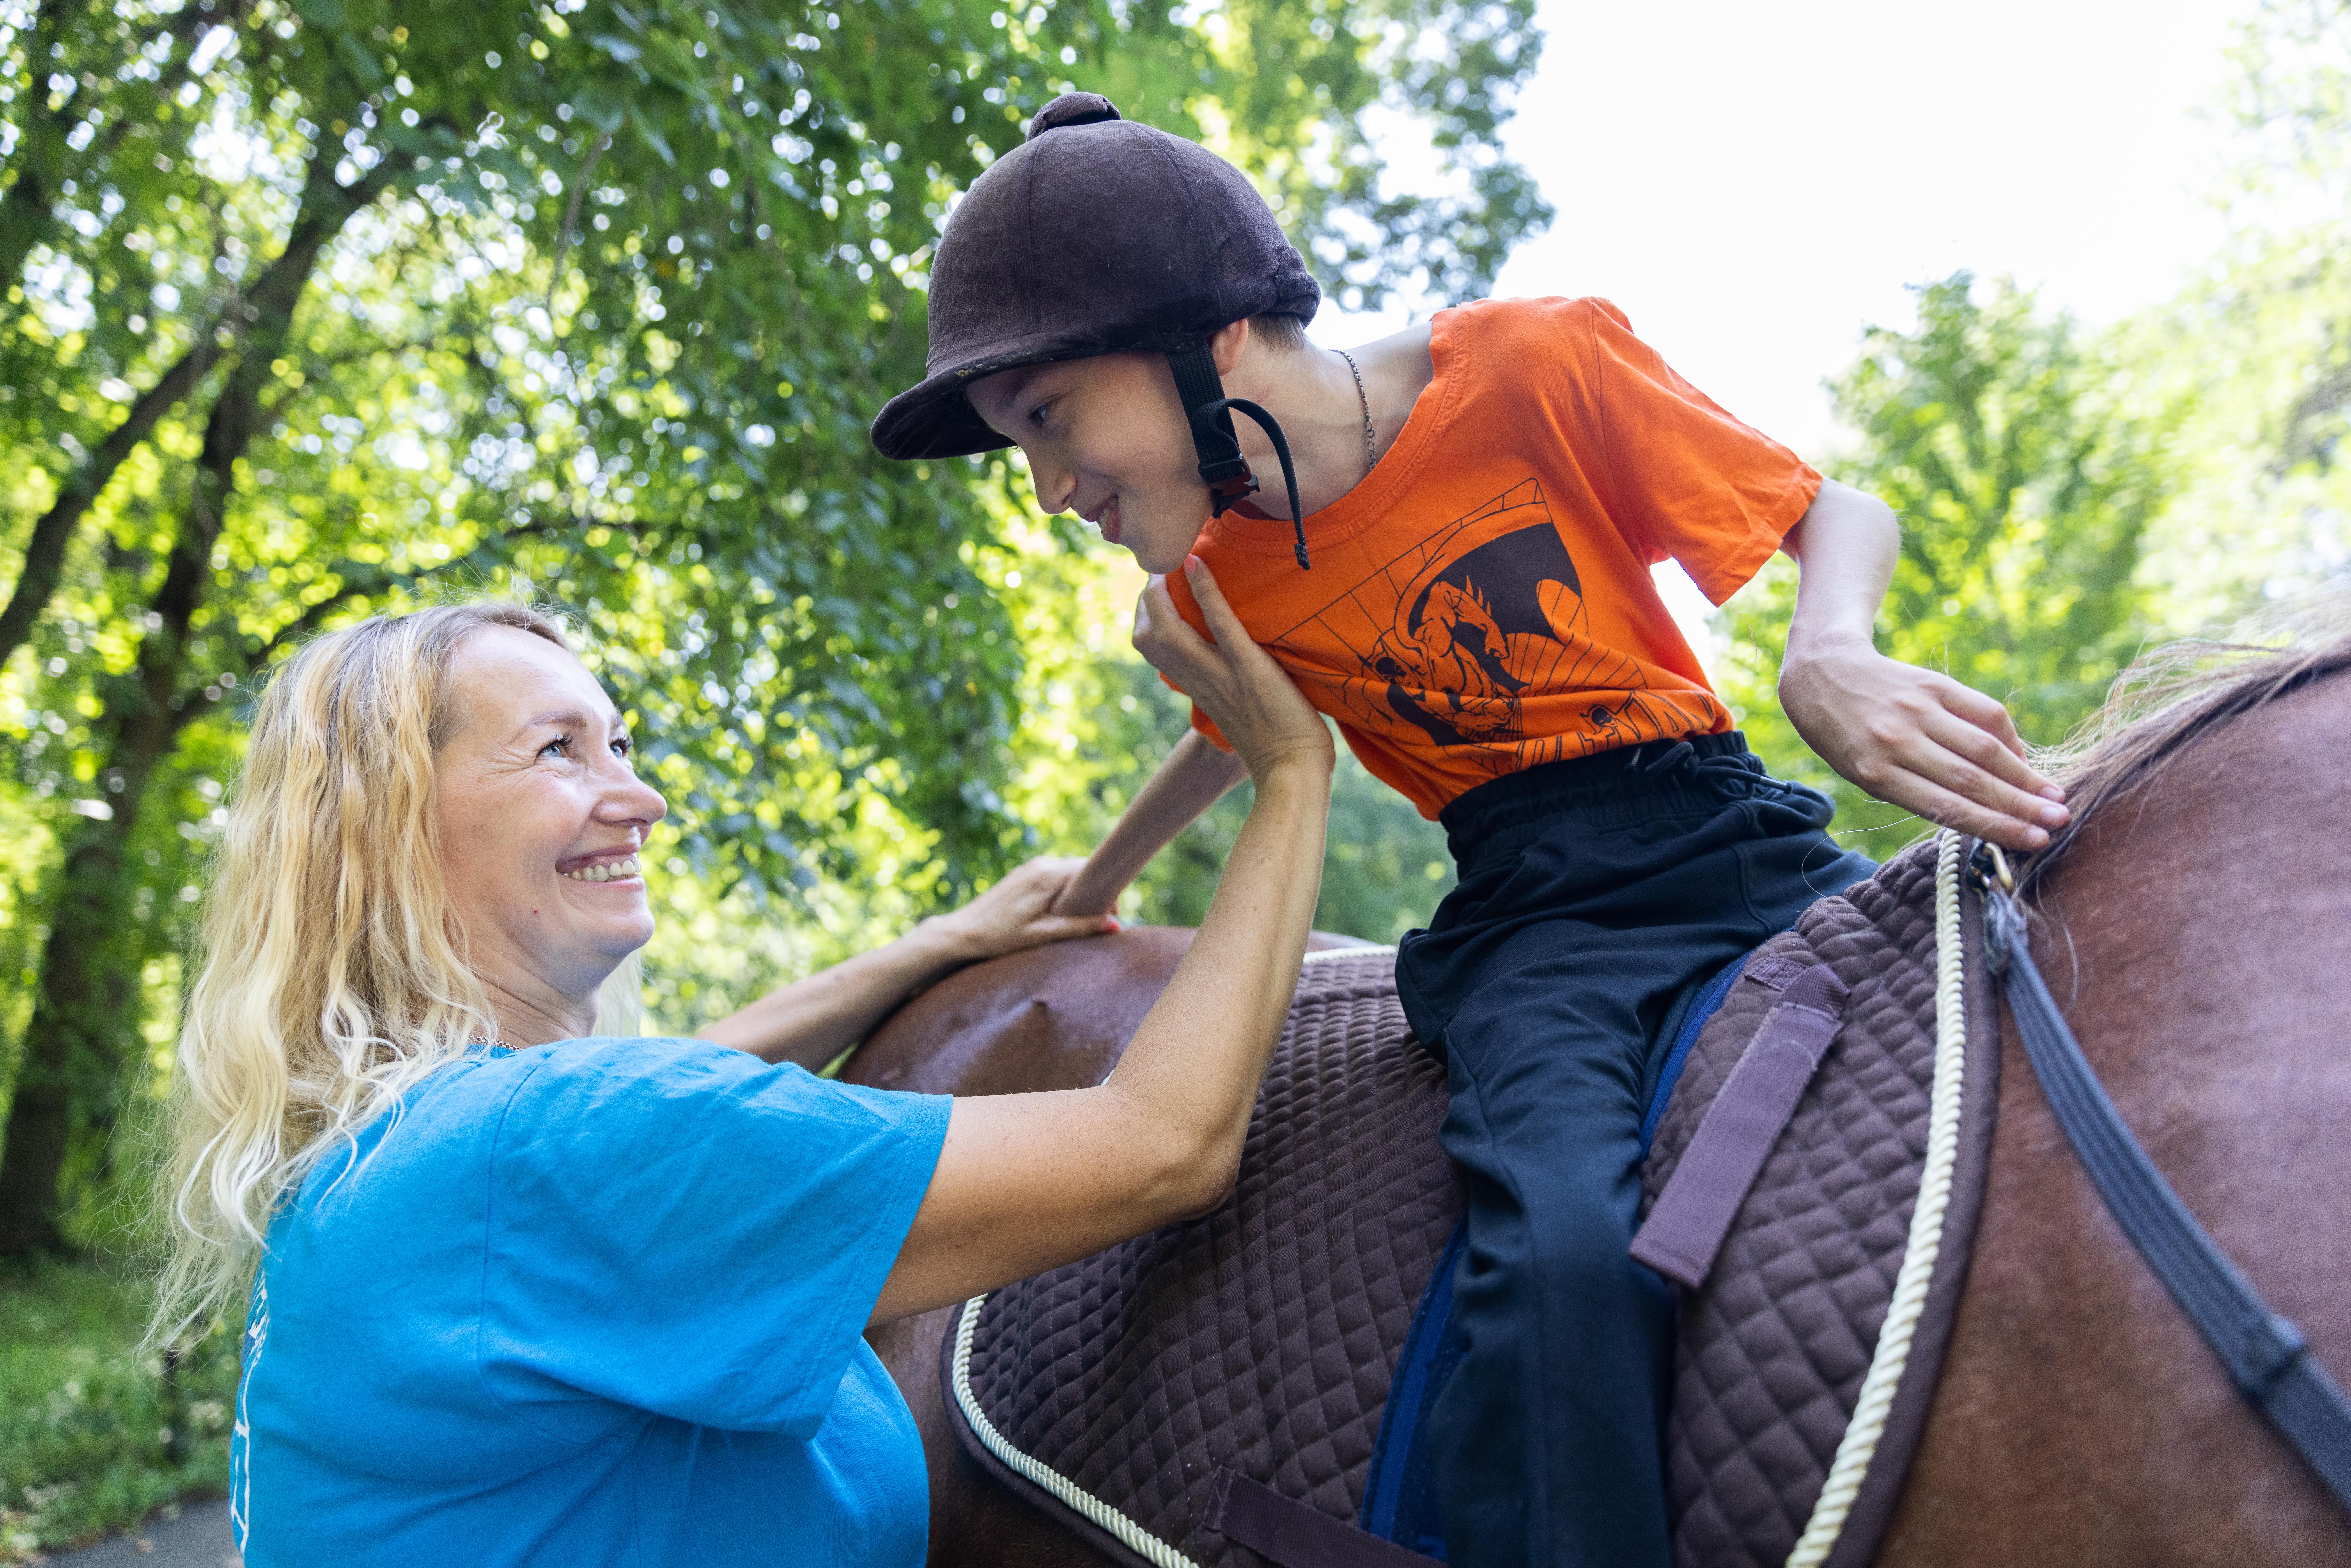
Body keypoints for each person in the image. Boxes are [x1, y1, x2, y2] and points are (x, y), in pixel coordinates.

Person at [868, 91, 2074, 1567]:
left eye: (1048, 420)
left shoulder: (1529, 364)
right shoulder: (1208, 586)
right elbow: (1226, 741)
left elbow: (1831, 509)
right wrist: (1093, 886)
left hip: (1731, 835)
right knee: (1558, 1241)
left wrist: (1826, 650)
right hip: (1531, 919)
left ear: (1211, 337)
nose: (1051, 490)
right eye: (1021, 447)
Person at [151, 595, 1334, 1567]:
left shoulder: (396, 1143)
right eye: (558, 749)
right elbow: (1163, 1142)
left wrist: (939, 945)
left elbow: (684, 1089)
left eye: (619, 744)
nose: (641, 797)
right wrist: (1290, 771)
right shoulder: (561, 1143)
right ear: (392, 827)